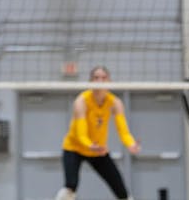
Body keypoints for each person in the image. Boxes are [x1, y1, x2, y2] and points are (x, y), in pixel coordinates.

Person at [57, 66, 140, 200]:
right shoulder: (81, 101)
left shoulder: (115, 102)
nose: (100, 81)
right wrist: (90, 145)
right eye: (96, 78)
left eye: (103, 77)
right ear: (90, 81)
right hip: (74, 148)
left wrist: (130, 144)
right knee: (70, 187)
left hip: (98, 150)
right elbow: (81, 134)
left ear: (109, 81)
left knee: (121, 190)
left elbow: (123, 130)